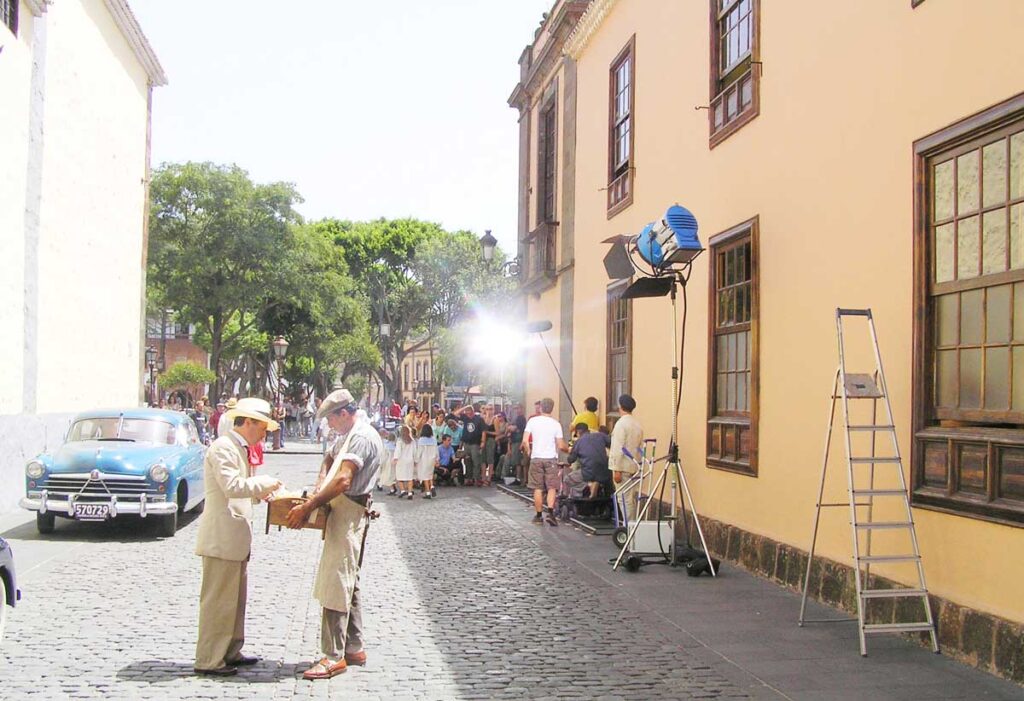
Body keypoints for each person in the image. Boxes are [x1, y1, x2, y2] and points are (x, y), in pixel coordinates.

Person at [286, 388, 383, 680]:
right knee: (347, 581)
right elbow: (330, 460)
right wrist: (319, 484)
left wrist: (309, 506)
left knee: (336, 582)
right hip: (343, 511)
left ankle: (333, 655)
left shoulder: (363, 437)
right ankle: (354, 647)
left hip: (349, 511)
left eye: (331, 418)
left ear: (344, 413)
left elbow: (342, 479)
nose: (328, 425)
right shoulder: (349, 435)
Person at [194, 398, 282, 676]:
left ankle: (230, 650)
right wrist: (263, 483)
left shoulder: (237, 449)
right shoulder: (223, 448)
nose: (264, 433)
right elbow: (231, 487)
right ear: (248, 422)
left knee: (234, 600)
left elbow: (238, 490)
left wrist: (259, 493)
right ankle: (209, 658)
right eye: (262, 427)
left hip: (234, 538)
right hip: (222, 537)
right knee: (218, 601)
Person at [523, 397, 569, 526]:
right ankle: (550, 513)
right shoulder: (556, 424)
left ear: (541, 407)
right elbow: (560, 445)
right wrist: (569, 449)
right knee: (551, 487)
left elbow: (525, 440)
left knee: (537, 488)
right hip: (551, 458)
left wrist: (528, 450)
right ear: (552, 409)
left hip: (536, 458)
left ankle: (538, 516)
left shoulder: (532, 421)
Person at [609, 394, 644, 520]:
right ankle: (631, 525)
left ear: (620, 407)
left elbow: (618, 448)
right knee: (630, 498)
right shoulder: (637, 424)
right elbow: (640, 447)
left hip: (622, 466)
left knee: (623, 498)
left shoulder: (621, 424)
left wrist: (616, 469)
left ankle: (629, 527)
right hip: (634, 466)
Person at [565, 423, 612, 498]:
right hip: (606, 471)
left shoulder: (578, 442)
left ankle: (590, 485)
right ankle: (595, 485)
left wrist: (570, 451)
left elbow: (571, 460)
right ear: (588, 430)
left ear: (577, 432)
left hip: (588, 473)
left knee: (567, 479)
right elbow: (612, 444)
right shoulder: (600, 435)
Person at [460, 404, 486, 486]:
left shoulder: (479, 419)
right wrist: (464, 407)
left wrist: (483, 442)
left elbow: (483, 431)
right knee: (467, 461)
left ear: (473, 411)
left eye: (470, 413)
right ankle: (469, 479)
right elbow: (455, 414)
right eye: (467, 413)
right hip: (466, 443)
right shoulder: (465, 418)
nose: (468, 415)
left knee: (476, 462)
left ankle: (477, 479)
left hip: (475, 443)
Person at [392, 425, 417, 500]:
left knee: (399, 477)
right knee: (409, 477)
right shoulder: (412, 441)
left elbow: (398, 451)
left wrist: (395, 458)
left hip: (401, 460)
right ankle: (410, 492)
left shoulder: (400, 441)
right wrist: (415, 460)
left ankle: (402, 490)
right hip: (410, 460)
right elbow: (415, 451)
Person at [415, 424, 439, 499]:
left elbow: (419, 452)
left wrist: (416, 460)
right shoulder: (434, 439)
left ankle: (428, 492)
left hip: (424, 460)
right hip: (432, 459)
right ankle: (432, 486)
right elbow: (436, 451)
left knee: (425, 476)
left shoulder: (421, 440)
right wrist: (437, 459)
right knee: (430, 474)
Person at [480, 404, 497, 486]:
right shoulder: (483, 418)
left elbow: (497, 432)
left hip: (490, 440)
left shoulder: (495, 419)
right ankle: (483, 478)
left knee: (490, 459)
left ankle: (489, 478)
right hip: (483, 440)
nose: (489, 411)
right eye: (487, 409)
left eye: (490, 409)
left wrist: (488, 432)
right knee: (483, 460)